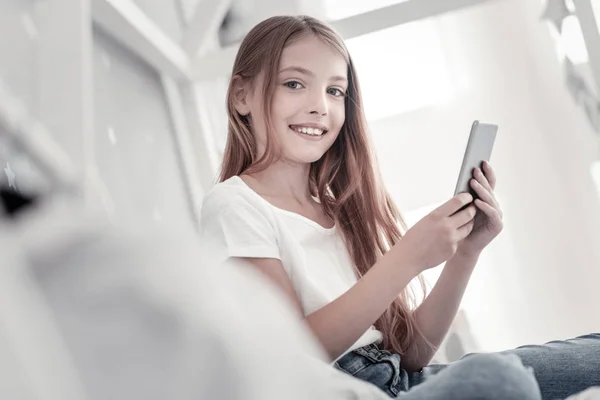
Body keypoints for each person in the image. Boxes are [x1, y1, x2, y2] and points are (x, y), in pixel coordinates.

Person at [198, 15, 600, 400]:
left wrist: (465, 253)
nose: (320, 106)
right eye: (294, 84)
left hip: (405, 381)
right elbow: (290, 356)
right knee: (500, 380)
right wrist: (407, 258)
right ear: (242, 96)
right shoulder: (234, 203)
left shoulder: (336, 211)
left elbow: (410, 355)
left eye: (335, 91)